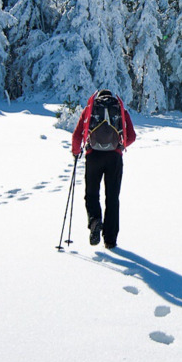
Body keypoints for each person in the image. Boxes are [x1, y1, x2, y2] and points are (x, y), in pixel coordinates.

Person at [71, 89, 136, 249]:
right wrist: (121, 147)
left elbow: (77, 135)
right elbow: (132, 136)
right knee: (112, 198)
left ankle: (95, 222)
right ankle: (110, 240)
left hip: (93, 156)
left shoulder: (90, 109)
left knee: (91, 194)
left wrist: (76, 151)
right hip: (114, 157)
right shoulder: (120, 110)